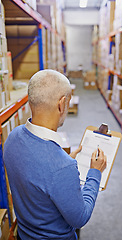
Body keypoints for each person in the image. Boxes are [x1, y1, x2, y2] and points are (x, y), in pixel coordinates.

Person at [3, 70, 107, 240]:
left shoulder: (12, 138)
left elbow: (35, 175)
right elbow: (80, 218)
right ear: (62, 104)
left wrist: (65, 164)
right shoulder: (61, 166)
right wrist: (95, 172)